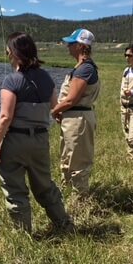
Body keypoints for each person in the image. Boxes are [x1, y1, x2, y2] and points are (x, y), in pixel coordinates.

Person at [0, 32, 73, 233]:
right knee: (45, 186)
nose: (7, 54)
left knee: (15, 190)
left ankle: (23, 234)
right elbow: (55, 108)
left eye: (8, 50)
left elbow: (5, 117)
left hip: (16, 141)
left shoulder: (11, 81)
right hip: (40, 140)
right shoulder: (46, 78)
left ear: (15, 53)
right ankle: (64, 225)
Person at [51, 28, 100, 195]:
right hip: (72, 119)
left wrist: (54, 111)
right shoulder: (81, 67)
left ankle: (80, 201)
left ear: (80, 46)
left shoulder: (85, 69)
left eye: (71, 43)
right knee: (67, 159)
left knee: (78, 163)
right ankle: (68, 195)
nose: (67, 46)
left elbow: (71, 99)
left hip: (78, 120)